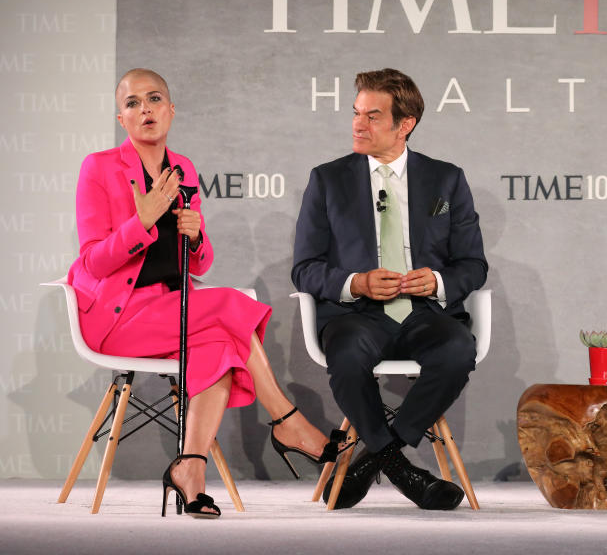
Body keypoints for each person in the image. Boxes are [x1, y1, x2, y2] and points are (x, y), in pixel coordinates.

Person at [68, 68, 343, 519]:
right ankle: (289, 423)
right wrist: (143, 221)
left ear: (170, 110)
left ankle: (190, 471)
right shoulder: (98, 168)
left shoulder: (184, 169)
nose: (145, 109)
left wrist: (194, 238)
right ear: (122, 118)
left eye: (154, 99)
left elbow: (198, 264)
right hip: (118, 319)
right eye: (133, 103)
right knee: (233, 305)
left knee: (219, 346)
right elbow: (91, 262)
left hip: (173, 311)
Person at [292, 68, 487, 510]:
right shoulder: (327, 179)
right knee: (346, 355)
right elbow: (304, 269)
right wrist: (355, 282)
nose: (358, 125)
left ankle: (374, 459)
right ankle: (403, 470)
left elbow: (473, 264)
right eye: (356, 114)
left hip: (426, 313)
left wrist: (436, 281)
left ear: (406, 125)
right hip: (357, 315)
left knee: (458, 351)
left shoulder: (446, 180)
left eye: (373, 116)